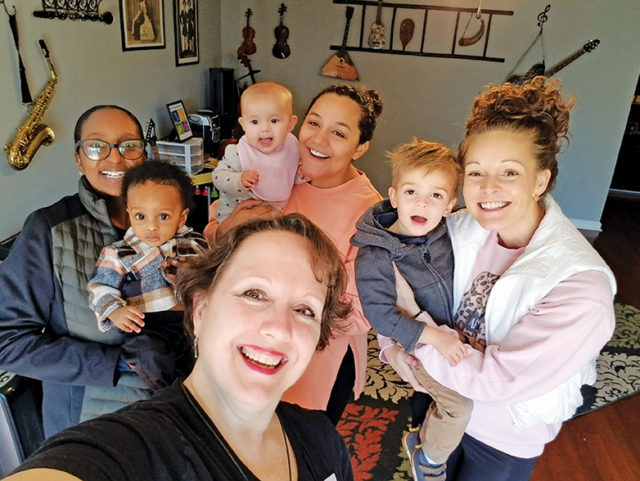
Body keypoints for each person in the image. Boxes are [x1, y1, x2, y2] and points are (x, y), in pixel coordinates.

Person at [4, 214, 355, 481]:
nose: (279, 329)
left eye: (305, 310)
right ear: (201, 309)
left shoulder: (323, 440)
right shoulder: (131, 449)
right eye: (254, 293)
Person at [385, 77, 616, 481]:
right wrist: (392, 349)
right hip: (437, 398)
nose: (488, 188)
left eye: (509, 172)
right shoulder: (452, 231)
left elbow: (496, 380)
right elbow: (386, 277)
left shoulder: (581, 289)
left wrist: (415, 337)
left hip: (500, 438)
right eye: (476, 173)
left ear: (540, 180)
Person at [205, 83, 384, 425]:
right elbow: (214, 232)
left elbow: (361, 315)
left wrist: (295, 304)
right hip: (248, 352)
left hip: (315, 367)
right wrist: (227, 231)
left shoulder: (370, 216)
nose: (318, 140)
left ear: (360, 148)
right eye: (314, 124)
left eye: (338, 133)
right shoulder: (279, 167)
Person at [0, 105, 152, 437]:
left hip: (169, 411)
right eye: (97, 146)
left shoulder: (166, 221)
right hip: (91, 425)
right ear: (79, 159)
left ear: (144, 154)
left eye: (129, 144)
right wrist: (117, 362)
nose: (115, 159)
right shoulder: (48, 229)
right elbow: (7, 341)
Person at [351, 138, 470, 480]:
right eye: (411, 192)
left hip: (456, 336)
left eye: (435, 195)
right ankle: (430, 461)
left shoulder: (447, 233)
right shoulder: (376, 254)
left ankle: (426, 434)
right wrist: (434, 338)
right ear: (393, 195)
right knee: (460, 407)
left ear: (449, 205)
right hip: (419, 345)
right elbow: (380, 314)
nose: (422, 203)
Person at [88, 161, 208, 390]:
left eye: (163, 217)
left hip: (191, 321)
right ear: (129, 214)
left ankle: (199, 393)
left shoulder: (196, 243)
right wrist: (115, 310)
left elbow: (212, 275)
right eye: (141, 217)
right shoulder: (119, 252)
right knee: (149, 355)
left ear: (181, 218)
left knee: (206, 354)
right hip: (148, 324)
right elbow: (100, 286)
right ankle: (168, 397)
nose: (151, 227)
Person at [212, 81, 300, 222]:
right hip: (234, 220)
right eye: (254, 122)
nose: (264, 128)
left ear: (291, 123)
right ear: (243, 124)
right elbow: (218, 177)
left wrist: (301, 176)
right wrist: (239, 180)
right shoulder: (238, 153)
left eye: (274, 121)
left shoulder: (291, 148)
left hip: (271, 219)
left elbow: (288, 175)